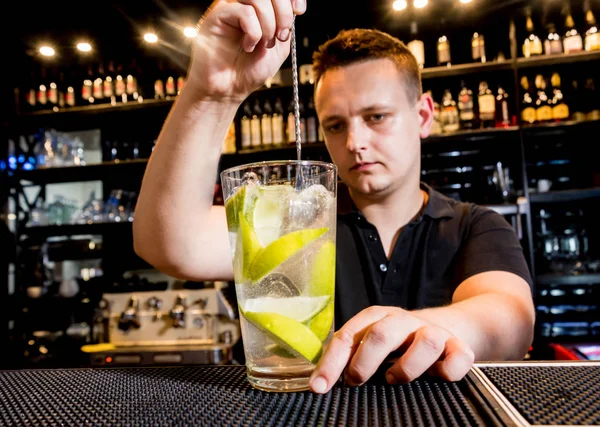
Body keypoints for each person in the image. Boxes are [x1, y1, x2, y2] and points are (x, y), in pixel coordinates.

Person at [132, 0, 535, 395]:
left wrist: (432, 331)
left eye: (376, 117)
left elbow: (510, 321)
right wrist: (213, 93)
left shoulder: (475, 226)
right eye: (335, 125)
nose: (355, 143)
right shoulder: (297, 220)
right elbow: (166, 242)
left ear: (423, 116)